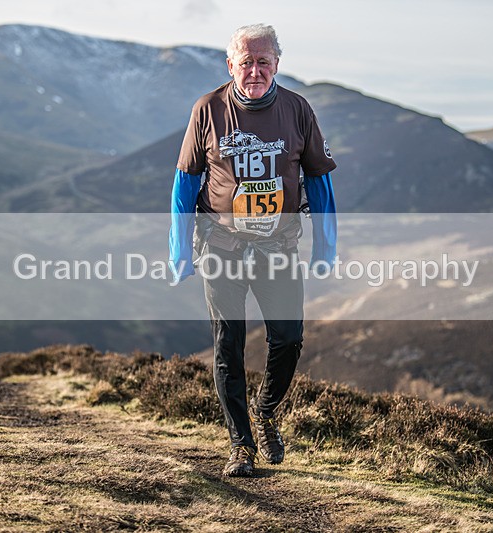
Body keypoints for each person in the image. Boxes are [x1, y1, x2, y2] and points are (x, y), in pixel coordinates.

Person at [169, 23, 338, 477]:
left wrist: (326, 244)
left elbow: (319, 179)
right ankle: (241, 445)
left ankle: (265, 413)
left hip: (277, 249)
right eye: (246, 62)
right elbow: (185, 185)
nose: (255, 70)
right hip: (220, 247)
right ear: (231, 66)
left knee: (289, 339)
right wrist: (179, 250)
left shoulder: (297, 110)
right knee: (229, 346)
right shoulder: (207, 109)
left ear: (277, 64)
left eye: (264, 61)